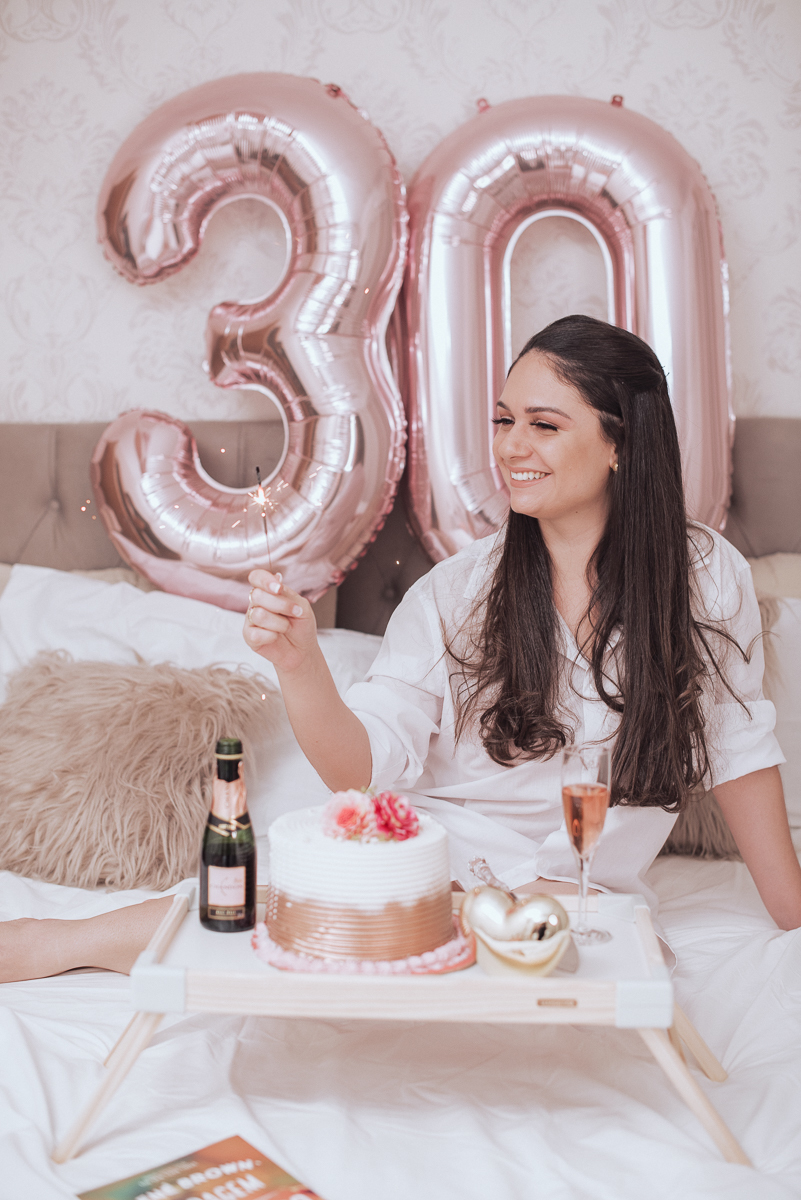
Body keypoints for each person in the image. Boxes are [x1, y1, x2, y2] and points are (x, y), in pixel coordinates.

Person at [1, 315, 799, 982]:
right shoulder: (456, 593)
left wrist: (791, 912)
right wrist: (300, 663)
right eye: (503, 419)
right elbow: (362, 769)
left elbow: (735, 750)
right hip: (438, 862)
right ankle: (51, 941)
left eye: (544, 425)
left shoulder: (704, 577)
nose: (512, 446)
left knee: (611, 973)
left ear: (621, 442)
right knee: (279, 913)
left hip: (587, 889)